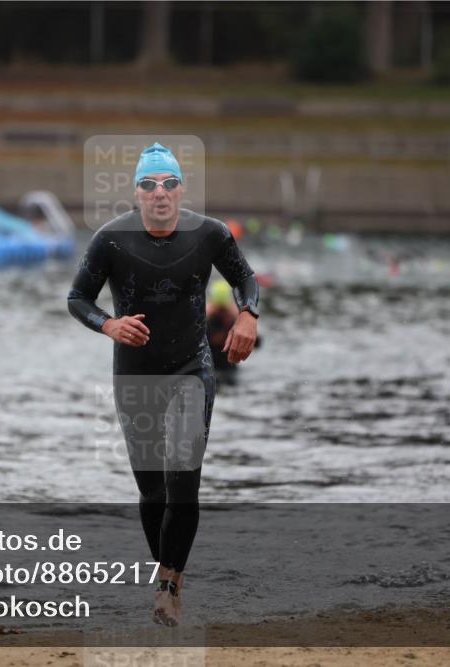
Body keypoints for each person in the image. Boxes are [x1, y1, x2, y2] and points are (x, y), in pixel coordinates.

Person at [67, 142, 259, 626]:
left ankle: (168, 586)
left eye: (170, 184)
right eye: (150, 184)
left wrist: (248, 315)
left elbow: (246, 279)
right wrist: (107, 324)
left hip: (191, 369)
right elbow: (77, 298)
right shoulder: (111, 240)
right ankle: (168, 576)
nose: (160, 193)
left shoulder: (209, 234)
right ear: (136, 192)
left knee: (184, 484)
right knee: (153, 492)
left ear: (181, 190)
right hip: (134, 374)